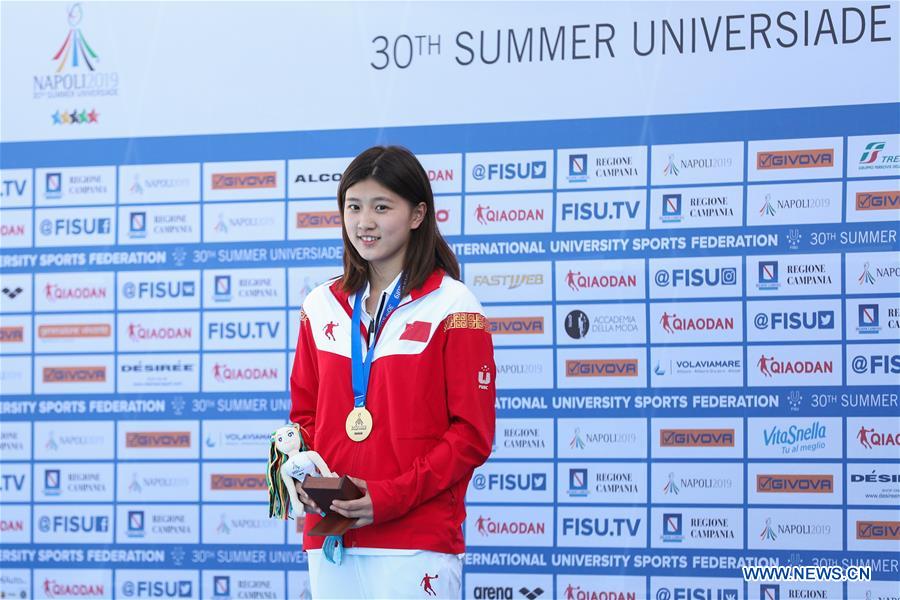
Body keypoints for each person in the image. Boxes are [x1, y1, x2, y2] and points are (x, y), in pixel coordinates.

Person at [289, 145, 496, 599]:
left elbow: (471, 435)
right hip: (332, 537)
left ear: (418, 214)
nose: (364, 222)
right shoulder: (319, 306)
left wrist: (388, 497)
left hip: (414, 541)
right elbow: (305, 417)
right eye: (354, 207)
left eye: (381, 207)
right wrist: (306, 479)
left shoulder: (453, 306)